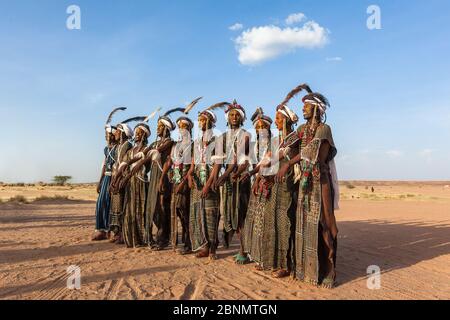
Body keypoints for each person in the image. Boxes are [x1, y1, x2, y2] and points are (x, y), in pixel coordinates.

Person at [276, 84, 339, 288]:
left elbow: (313, 154)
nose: (303, 109)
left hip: (320, 182)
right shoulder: (302, 129)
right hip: (304, 183)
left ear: (317, 109)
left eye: (307, 106)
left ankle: (330, 271)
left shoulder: (324, 129)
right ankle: (307, 270)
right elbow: (288, 144)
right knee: (304, 225)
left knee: (325, 225)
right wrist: (282, 151)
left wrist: (288, 164)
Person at [215, 100, 251, 264]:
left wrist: (228, 174)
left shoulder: (245, 135)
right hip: (229, 181)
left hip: (241, 179)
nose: (234, 117)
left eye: (237, 115)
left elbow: (243, 160)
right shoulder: (222, 137)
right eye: (231, 115)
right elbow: (219, 160)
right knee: (230, 213)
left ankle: (244, 250)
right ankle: (238, 247)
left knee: (241, 215)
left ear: (241, 118)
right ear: (227, 118)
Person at [188, 103, 224, 260]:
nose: (201, 123)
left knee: (211, 214)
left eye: (203, 120)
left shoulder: (217, 140)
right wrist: (189, 174)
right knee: (198, 214)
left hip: (210, 178)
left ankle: (213, 247)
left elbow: (218, 164)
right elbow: (193, 162)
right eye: (199, 120)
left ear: (210, 121)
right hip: (197, 179)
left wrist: (209, 184)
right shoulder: (196, 142)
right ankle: (204, 246)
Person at [240, 108, 273, 270]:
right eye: (257, 127)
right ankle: (254, 254)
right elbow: (249, 162)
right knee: (253, 221)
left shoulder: (273, 143)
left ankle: (264, 259)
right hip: (256, 184)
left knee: (264, 222)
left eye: (263, 126)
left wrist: (255, 175)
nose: (260, 129)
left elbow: (265, 162)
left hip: (269, 185)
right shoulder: (254, 146)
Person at [160, 116, 195, 254]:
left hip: (185, 185)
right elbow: (169, 162)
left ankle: (189, 244)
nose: (182, 129)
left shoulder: (192, 145)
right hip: (175, 183)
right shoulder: (174, 145)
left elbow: (192, 166)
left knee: (186, 214)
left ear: (189, 129)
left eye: (184, 127)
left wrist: (184, 182)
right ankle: (180, 241)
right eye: (180, 127)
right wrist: (162, 178)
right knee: (179, 213)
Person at [92, 107, 125, 241]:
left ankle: (112, 231)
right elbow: (104, 165)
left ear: (112, 135)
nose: (106, 137)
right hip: (106, 177)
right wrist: (100, 181)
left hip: (114, 177)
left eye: (107, 135)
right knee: (100, 203)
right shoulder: (106, 149)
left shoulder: (118, 148)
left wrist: (115, 179)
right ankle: (101, 229)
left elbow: (118, 164)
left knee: (111, 204)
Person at [109, 116, 143, 244]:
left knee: (122, 206)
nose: (115, 133)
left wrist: (118, 179)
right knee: (116, 207)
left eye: (118, 131)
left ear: (123, 133)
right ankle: (117, 233)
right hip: (116, 177)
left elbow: (124, 165)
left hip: (123, 177)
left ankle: (123, 233)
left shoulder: (127, 145)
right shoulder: (119, 146)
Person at [117, 121, 151, 248]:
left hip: (140, 182)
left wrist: (126, 177)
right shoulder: (130, 150)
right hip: (130, 182)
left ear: (144, 135)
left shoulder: (147, 149)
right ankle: (130, 238)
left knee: (140, 210)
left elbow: (139, 165)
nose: (136, 135)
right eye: (136, 132)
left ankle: (141, 238)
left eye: (139, 133)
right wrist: (119, 178)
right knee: (129, 210)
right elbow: (124, 164)